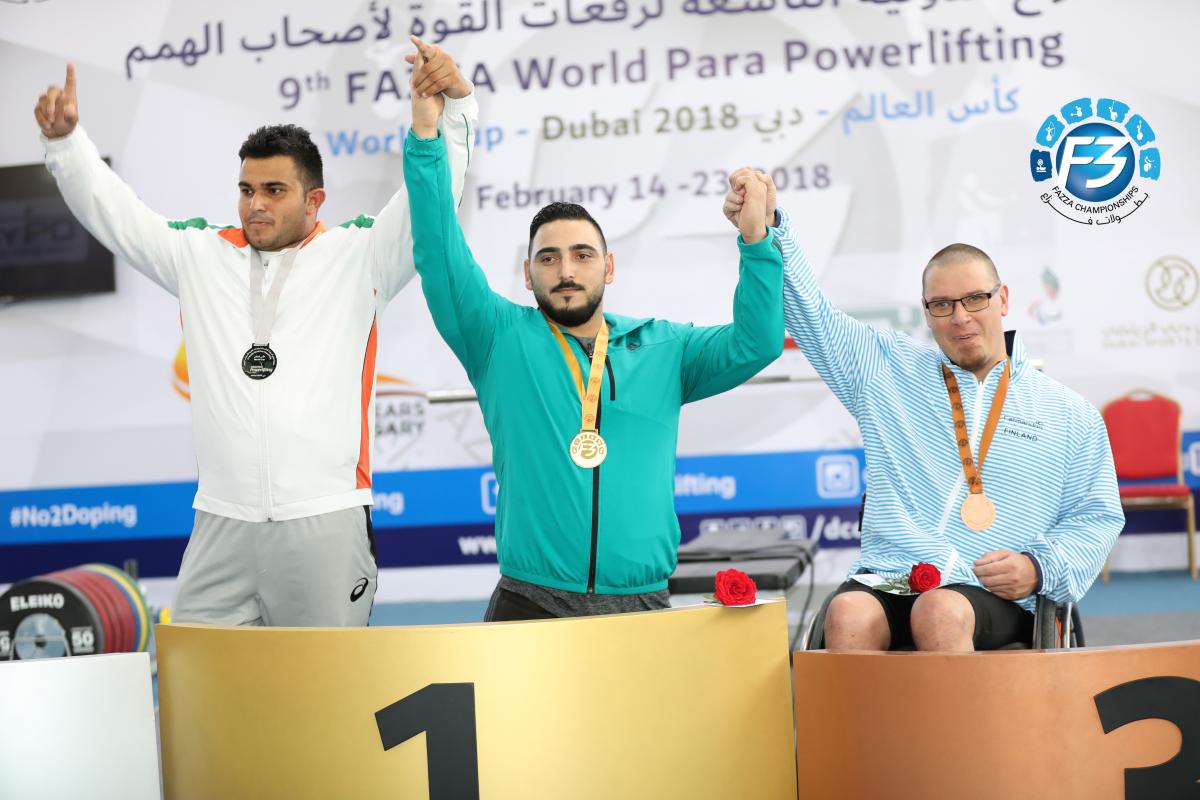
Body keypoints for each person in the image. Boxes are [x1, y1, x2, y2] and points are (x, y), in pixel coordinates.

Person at [33, 43, 478, 627]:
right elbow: (120, 218)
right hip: (220, 523)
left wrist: (456, 112)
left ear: (314, 200)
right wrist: (67, 147)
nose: (255, 205)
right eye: (247, 190)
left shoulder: (363, 254)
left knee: (324, 697)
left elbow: (431, 203)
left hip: (325, 519)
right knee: (204, 700)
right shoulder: (199, 254)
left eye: (274, 191)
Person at [402, 58, 784, 621]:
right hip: (530, 601)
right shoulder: (495, 338)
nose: (565, 270)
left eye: (582, 256)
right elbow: (438, 246)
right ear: (527, 271)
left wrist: (757, 240)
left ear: (608, 267)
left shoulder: (666, 348)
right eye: (548, 258)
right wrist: (429, 134)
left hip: (642, 602)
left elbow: (758, 342)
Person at [723, 170, 1123, 651]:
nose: (960, 316)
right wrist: (768, 230)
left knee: (941, 610)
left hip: (993, 590)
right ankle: (863, 731)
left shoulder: (1069, 412)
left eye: (975, 298)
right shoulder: (887, 369)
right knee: (846, 611)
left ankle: (954, 731)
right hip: (895, 576)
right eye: (942, 304)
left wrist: (1039, 568)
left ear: (1004, 299)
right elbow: (814, 314)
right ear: (925, 311)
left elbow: (1096, 516)